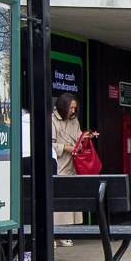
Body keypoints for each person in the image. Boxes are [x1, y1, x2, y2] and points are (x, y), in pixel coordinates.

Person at [50, 93, 85, 243]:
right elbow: (48, 143)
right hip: (59, 163)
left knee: (70, 196)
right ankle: (56, 233)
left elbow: (79, 139)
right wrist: (65, 148)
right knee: (58, 198)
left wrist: (84, 139)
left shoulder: (74, 121)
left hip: (72, 163)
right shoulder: (52, 120)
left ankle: (66, 231)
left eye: (74, 108)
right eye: (70, 107)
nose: (72, 111)